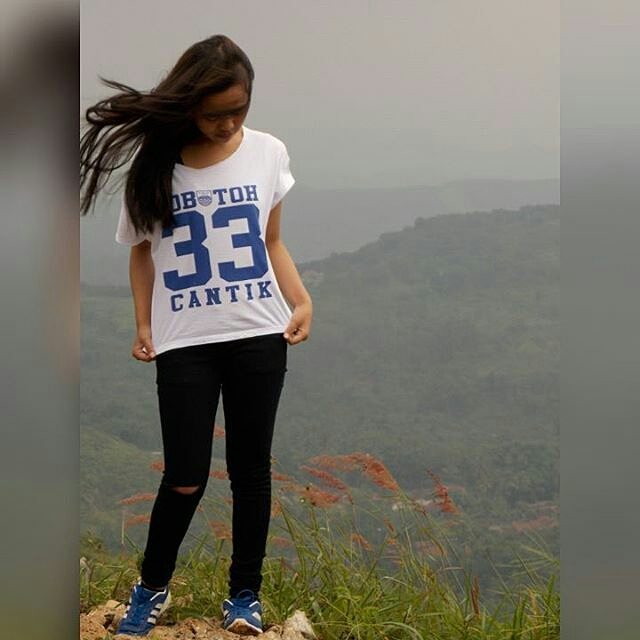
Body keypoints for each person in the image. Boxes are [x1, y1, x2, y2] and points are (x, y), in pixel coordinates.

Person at [80, 34, 313, 636]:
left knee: (250, 471)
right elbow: (141, 253)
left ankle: (245, 597)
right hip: (184, 340)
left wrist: (301, 299)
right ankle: (150, 587)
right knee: (184, 476)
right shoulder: (155, 166)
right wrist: (143, 322)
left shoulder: (268, 152)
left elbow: (271, 240)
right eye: (214, 113)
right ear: (188, 105)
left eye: (238, 109)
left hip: (258, 331)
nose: (227, 123)